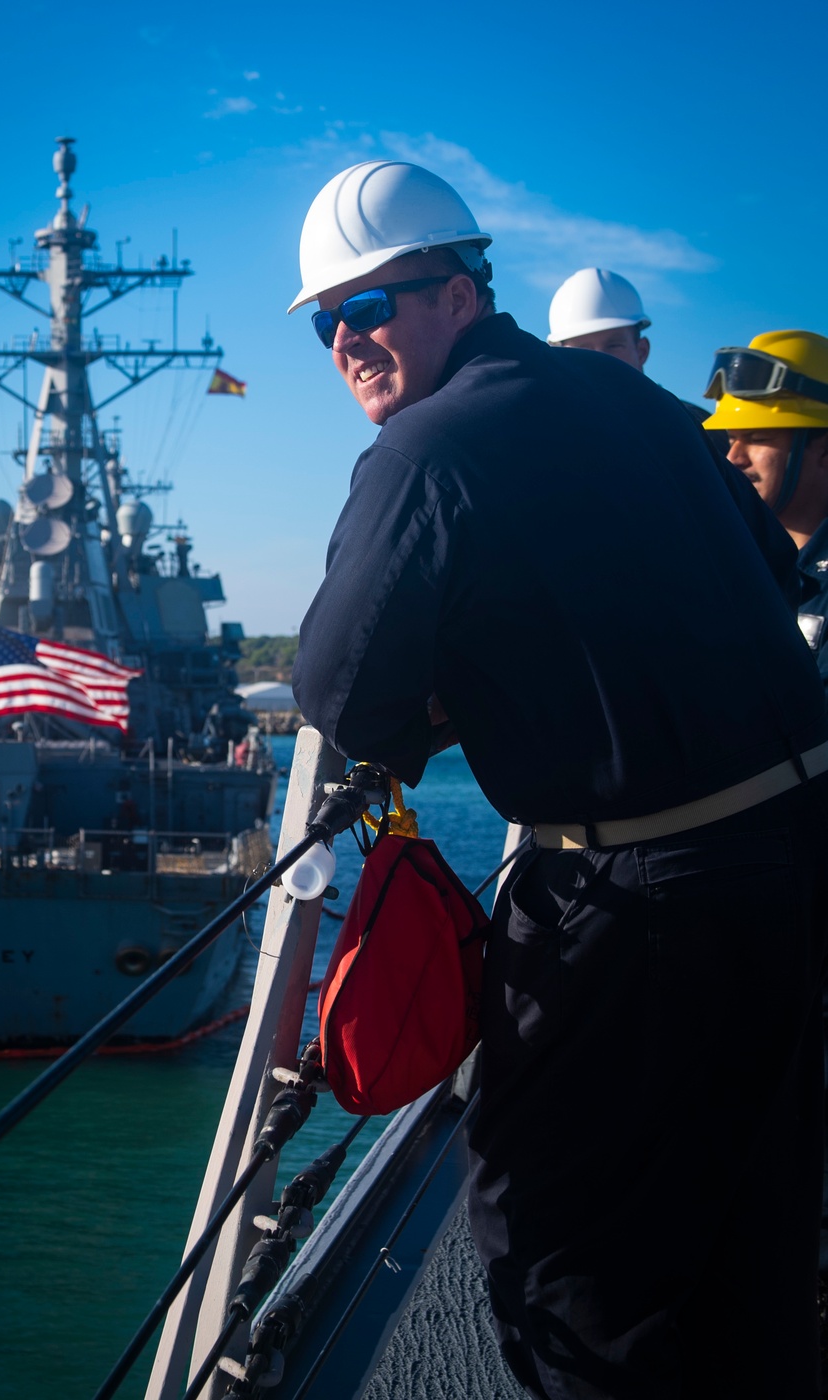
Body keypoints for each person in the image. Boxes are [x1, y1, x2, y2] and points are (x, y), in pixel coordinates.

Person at [288, 158, 828, 1399]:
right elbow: (771, 576)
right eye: (329, 320)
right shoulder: (634, 403)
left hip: (639, 905)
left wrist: (452, 686)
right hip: (789, 863)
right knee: (751, 1236)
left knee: (562, 1255)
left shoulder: (427, 449)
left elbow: (336, 693)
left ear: (461, 289)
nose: (347, 341)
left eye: (371, 306)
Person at [702, 330, 828, 688]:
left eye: (758, 438)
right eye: (731, 438)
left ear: (824, 449)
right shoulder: (731, 558)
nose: (733, 458)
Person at [548, 266, 724, 444]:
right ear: (558, 359)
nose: (600, 360)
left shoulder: (696, 428)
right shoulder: (549, 436)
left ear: (642, 351)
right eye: (583, 349)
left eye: (614, 345)